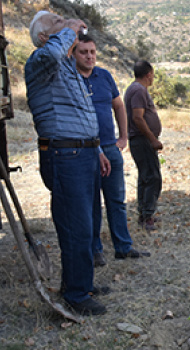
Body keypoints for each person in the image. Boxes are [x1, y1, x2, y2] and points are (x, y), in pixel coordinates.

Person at [25, 11, 111, 315]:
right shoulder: (40, 61)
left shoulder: (68, 67)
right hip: (64, 155)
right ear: (45, 36)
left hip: (83, 153)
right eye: (56, 21)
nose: (64, 19)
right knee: (76, 225)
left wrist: (97, 149)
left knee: (87, 222)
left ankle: (81, 282)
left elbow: (81, 113)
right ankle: (75, 293)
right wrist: (70, 30)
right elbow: (51, 53)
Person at [73, 35, 150, 264]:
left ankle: (123, 247)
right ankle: (95, 250)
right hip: (85, 150)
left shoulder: (104, 76)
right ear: (74, 54)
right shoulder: (70, 78)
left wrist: (123, 136)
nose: (89, 56)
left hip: (110, 146)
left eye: (92, 52)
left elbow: (118, 106)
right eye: (83, 52)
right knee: (91, 202)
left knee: (117, 200)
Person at [124, 60, 162, 231]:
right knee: (152, 177)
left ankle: (144, 213)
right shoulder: (139, 90)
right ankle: (147, 215)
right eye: (152, 75)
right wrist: (152, 139)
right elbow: (137, 117)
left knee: (145, 176)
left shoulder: (135, 89)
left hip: (140, 139)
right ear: (149, 74)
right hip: (142, 139)